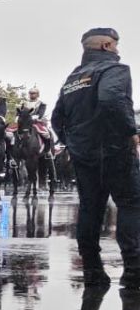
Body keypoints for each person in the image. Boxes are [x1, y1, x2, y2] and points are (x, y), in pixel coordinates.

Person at [52, 28, 137, 289]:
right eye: (116, 45)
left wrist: (72, 143)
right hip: (114, 149)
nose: (118, 51)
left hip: (83, 154)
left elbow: (57, 119)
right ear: (106, 45)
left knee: (90, 208)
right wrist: (131, 132)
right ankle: (134, 271)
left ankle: (92, 271)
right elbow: (111, 99)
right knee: (131, 204)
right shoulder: (115, 70)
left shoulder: (73, 78)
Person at [19, 86, 56, 154]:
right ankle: (10, 155)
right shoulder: (24, 103)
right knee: (10, 133)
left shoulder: (42, 103)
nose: (32, 94)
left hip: (37, 122)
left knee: (47, 134)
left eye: (34, 93)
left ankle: (48, 151)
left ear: (38, 94)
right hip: (24, 123)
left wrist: (31, 118)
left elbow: (40, 114)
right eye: (30, 93)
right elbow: (20, 112)